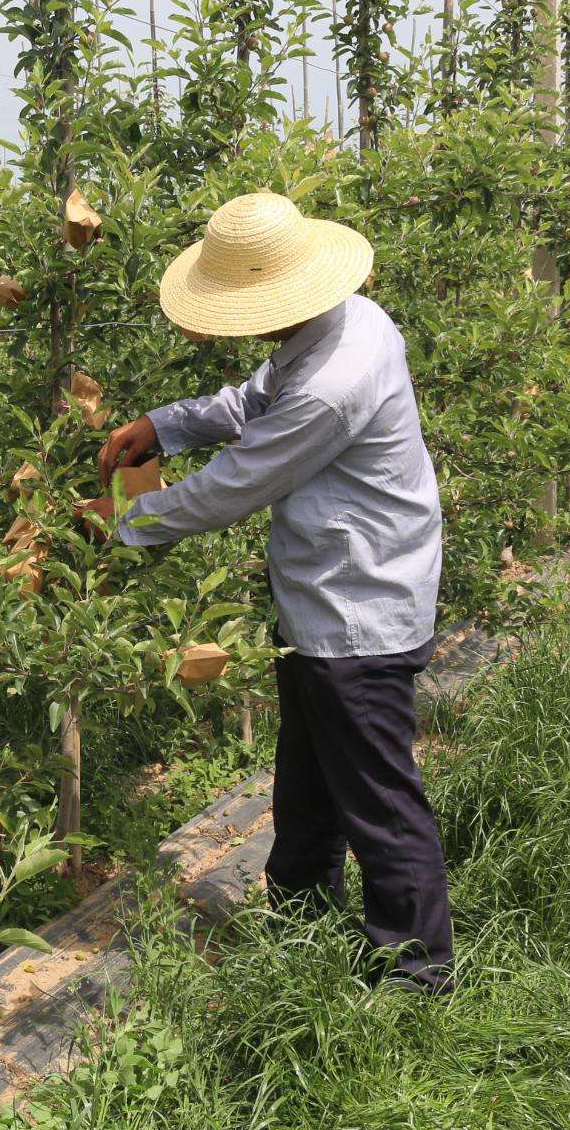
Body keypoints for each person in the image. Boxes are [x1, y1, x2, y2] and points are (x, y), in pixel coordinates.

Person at [93, 191, 453, 993]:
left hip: (356, 611)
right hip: (328, 599)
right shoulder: (344, 321)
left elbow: (238, 484)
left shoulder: (335, 378)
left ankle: (417, 979)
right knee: (312, 777)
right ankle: (300, 919)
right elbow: (256, 400)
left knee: (379, 802)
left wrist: (123, 523)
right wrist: (168, 424)